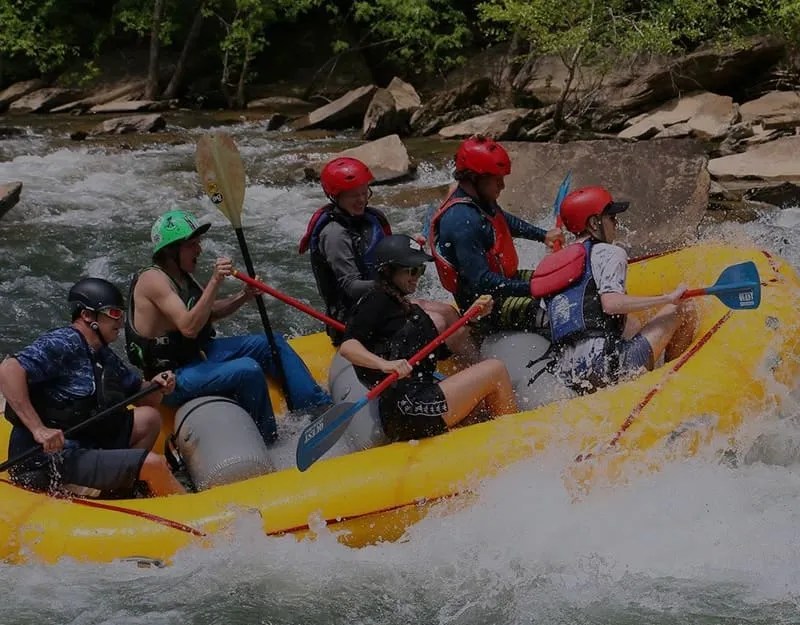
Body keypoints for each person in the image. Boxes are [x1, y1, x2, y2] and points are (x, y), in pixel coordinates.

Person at [126, 209, 331, 445]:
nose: (199, 250)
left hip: (199, 355)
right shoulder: (154, 281)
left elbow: (208, 313)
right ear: (172, 251)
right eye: (192, 245)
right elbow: (189, 327)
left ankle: (315, 408)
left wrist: (243, 296)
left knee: (270, 342)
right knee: (248, 369)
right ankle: (269, 440)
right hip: (171, 379)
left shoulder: (182, 276)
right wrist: (215, 281)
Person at [0, 278, 184, 497]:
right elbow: (9, 369)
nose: (120, 322)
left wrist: (158, 385)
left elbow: (143, 397)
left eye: (122, 315)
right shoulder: (64, 342)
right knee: (153, 464)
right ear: (88, 316)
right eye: (113, 314)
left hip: (84, 445)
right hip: (46, 460)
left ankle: (117, 489)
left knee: (149, 418)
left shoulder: (103, 355)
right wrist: (39, 429)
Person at [339, 234, 518, 442]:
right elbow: (348, 347)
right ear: (388, 271)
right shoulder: (376, 301)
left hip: (418, 397)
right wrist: (385, 365)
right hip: (409, 408)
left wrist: (473, 318)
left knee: (480, 404)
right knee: (495, 369)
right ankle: (513, 440)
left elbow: (440, 351)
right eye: (411, 270)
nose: (417, 276)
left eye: (420, 270)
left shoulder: (404, 307)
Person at [299, 157, 477, 361]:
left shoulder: (371, 218)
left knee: (448, 312)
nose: (360, 200)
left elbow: (386, 256)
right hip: (354, 318)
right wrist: (392, 284)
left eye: (364, 192)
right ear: (335, 196)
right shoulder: (334, 235)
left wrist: (407, 249)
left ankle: (476, 369)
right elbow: (351, 286)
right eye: (352, 195)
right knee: (436, 321)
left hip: (385, 300)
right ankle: (432, 380)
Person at [536, 185, 696, 393]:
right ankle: (671, 388)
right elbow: (611, 304)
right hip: (610, 370)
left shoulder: (552, 264)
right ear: (594, 223)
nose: (616, 223)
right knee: (685, 308)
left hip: (568, 377)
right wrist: (668, 298)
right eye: (611, 217)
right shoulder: (609, 252)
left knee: (632, 322)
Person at [430, 135, 564, 336]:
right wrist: (533, 288)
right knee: (548, 310)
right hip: (488, 307)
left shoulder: (479, 200)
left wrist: (543, 235)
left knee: (556, 277)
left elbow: (502, 220)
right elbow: (482, 281)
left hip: (504, 283)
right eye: (497, 180)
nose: (502, 186)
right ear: (475, 178)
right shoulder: (461, 221)